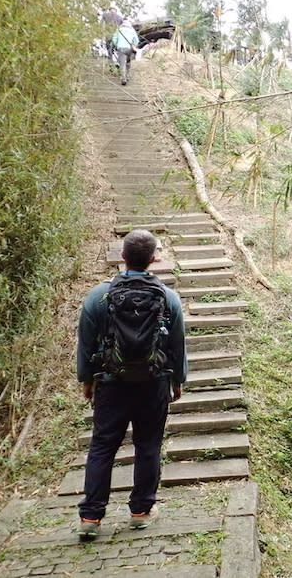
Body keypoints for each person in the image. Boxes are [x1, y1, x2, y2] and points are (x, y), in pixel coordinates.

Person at [75, 229, 187, 539]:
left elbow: (86, 343)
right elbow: (177, 344)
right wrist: (177, 379)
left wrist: (87, 379)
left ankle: (91, 518)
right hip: (153, 383)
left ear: (122, 257)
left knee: (102, 447)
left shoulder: (99, 296)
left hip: (111, 383)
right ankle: (140, 511)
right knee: (148, 445)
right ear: (154, 259)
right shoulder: (168, 297)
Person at [111, 19, 140, 85]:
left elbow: (114, 39)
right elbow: (136, 41)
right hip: (129, 48)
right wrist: (134, 45)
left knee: (122, 63)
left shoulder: (119, 30)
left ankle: (123, 78)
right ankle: (127, 76)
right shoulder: (132, 30)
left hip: (121, 48)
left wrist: (116, 45)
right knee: (128, 62)